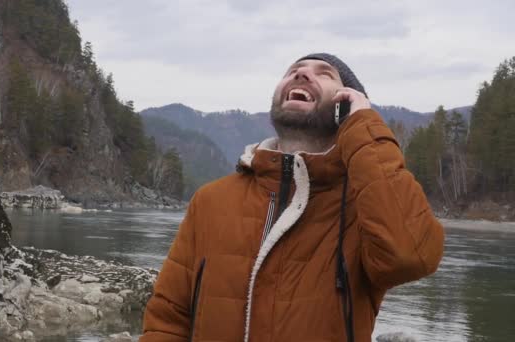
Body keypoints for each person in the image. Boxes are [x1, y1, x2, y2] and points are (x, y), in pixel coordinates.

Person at [140, 53, 444, 342]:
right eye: (293, 70)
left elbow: (410, 257)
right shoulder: (210, 200)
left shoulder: (362, 208)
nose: (302, 73)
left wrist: (364, 123)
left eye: (324, 74)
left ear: (346, 107)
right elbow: (168, 316)